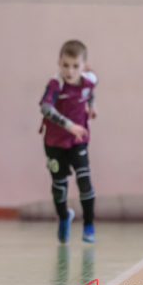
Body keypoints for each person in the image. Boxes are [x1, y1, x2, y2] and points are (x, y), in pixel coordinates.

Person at [39, 40, 98, 243]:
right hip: (55, 141)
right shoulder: (56, 84)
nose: (70, 71)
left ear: (85, 67)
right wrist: (69, 125)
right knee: (59, 187)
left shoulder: (90, 79)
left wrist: (92, 105)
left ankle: (89, 226)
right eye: (65, 65)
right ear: (59, 63)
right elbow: (45, 108)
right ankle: (64, 216)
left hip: (78, 139)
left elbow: (91, 91)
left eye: (75, 66)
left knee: (84, 179)